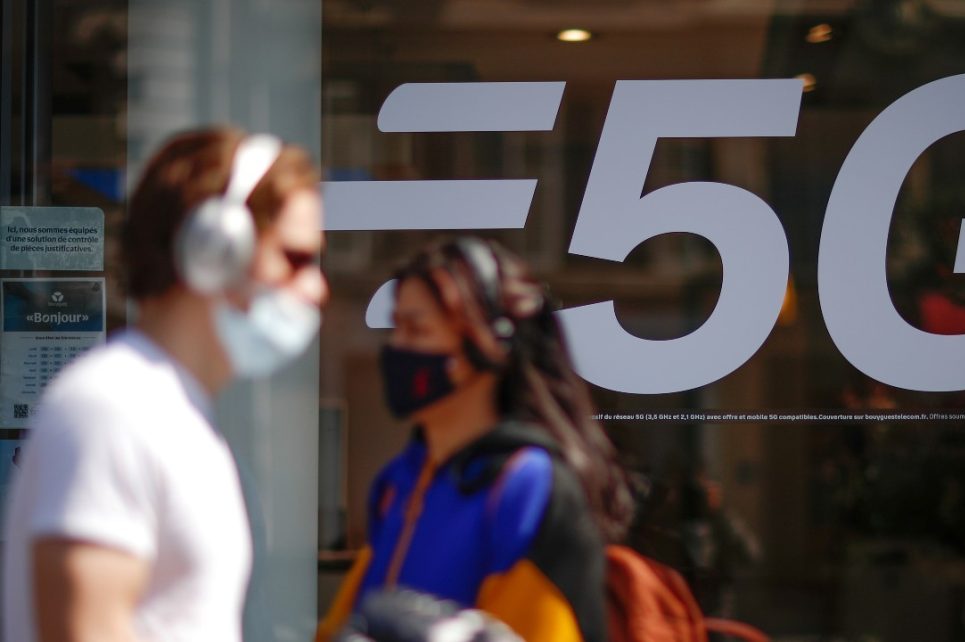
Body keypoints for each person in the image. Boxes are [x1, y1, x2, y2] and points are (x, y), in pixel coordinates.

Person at [2, 127, 327, 642]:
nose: (317, 286)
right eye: (295, 258)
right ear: (214, 248)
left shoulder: (174, 414)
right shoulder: (111, 409)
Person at [317, 237, 633, 642]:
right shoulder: (397, 483)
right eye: (397, 327)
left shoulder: (527, 487)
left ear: (488, 343)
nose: (397, 347)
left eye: (417, 329)